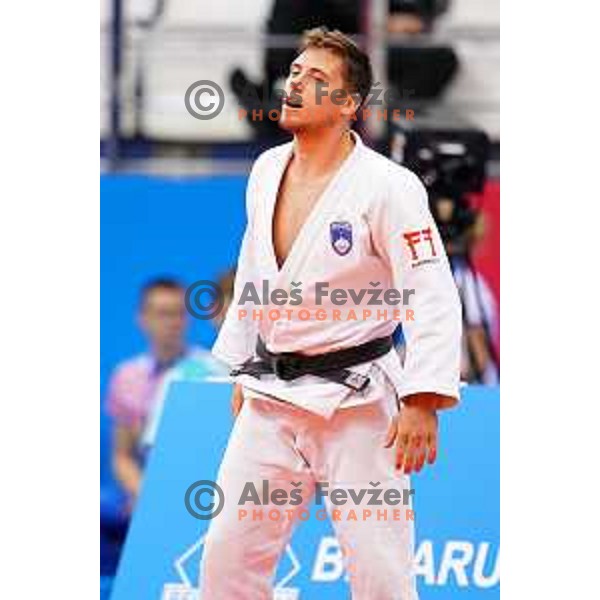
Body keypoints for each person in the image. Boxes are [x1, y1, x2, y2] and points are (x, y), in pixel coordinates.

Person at [201, 28, 462, 599]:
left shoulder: (389, 187)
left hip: (360, 404)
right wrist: (245, 364)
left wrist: (422, 399)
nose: (295, 83)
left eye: (316, 80)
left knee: (379, 572)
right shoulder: (267, 168)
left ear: (348, 105)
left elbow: (430, 291)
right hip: (272, 396)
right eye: (295, 72)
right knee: (225, 558)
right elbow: (255, 267)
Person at [106, 278, 217, 510]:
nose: (172, 322)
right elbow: (122, 456)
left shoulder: (214, 369)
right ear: (142, 319)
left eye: (179, 313)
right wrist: (147, 497)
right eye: (163, 313)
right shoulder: (126, 376)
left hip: (206, 494)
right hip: (147, 502)